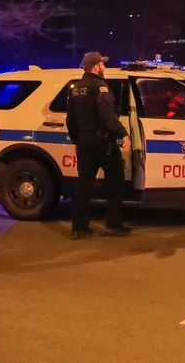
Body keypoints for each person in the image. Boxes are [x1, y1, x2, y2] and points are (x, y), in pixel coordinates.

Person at [66, 52, 132, 239]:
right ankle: (113, 224)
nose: (104, 67)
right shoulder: (100, 87)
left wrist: (77, 140)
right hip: (103, 142)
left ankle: (79, 228)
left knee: (84, 185)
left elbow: (70, 119)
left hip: (84, 141)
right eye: (102, 64)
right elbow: (107, 116)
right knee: (115, 181)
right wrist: (123, 133)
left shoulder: (75, 87)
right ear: (95, 67)